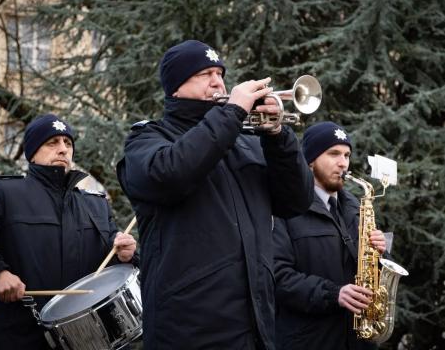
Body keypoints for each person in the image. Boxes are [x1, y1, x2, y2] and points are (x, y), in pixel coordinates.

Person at [116, 39, 313, 349]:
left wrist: (278, 137)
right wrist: (232, 112)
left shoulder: (247, 141)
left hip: (255, 325)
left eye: (220, 73)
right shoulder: (148, 139)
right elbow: (171, 174)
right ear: (176, 87)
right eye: (205, 73)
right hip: (189, 328)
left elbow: (297, 201)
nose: (218, 81)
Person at [0, 114, 137, 350]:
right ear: (32, 153)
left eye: (68, 143)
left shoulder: (95, 204)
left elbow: (108, 267)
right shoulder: (6, 194)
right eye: (52, 143)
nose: (63, 149)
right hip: (21, 340)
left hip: (88, 341)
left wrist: (126, 255)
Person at [273, 121, 387, 350]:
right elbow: (277, 277)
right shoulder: (285, 208)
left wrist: (382, 253)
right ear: (310, 160)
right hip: (309, 340)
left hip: (358, 340)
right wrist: (334, 294)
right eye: (333, 153)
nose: (343, 163)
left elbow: (372, 273)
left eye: (346, 155)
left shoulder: (356, 207)